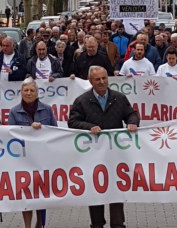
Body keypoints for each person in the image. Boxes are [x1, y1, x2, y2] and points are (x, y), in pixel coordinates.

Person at [68, 66, 139, 228]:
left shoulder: (119, 98)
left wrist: (132, 123)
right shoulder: (82, 101)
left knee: (116, 192)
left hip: (115, 156)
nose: (101, 82)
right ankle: (97, 224)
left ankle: (118, 224)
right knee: (95, 192)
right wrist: (89, 127)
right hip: (92, 157)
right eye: (97, 79)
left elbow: (131, 114)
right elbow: (72, 121)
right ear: (90, 81)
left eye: (104, 78)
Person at [8, 77, 57, 228]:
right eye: (26, 90)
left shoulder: (47, 110)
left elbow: (54, 132)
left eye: (32, 90)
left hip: (43, 159)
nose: (29, 93)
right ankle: (27, 225)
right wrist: (29, 130)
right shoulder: (14, 112)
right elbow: (11, 136)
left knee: (41, 195)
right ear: (21, 93)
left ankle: (40, 223)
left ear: (37, 93)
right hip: (23, 161)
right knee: (26, 197)